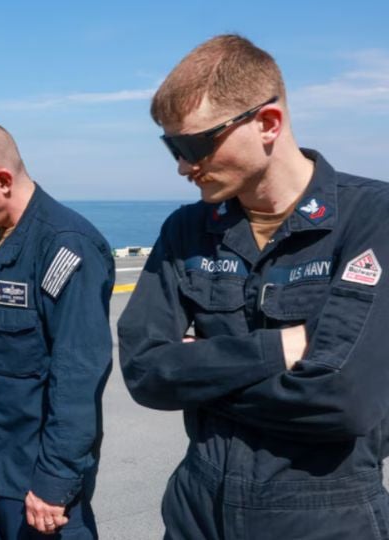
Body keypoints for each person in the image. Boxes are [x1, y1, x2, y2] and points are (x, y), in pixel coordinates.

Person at [118, 34, 389, 540]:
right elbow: (144, 371)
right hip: (196, 512)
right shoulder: (186, 230)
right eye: (170, 147)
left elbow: (343, 399)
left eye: (193, 144)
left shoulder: (372, 220)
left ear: (268, 124)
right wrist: (277, 349)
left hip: (322, 517)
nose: (182, 165)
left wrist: (203, 374)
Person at [0, 120, 114, 540]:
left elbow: (77, 377)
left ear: (2, 179)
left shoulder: (65, 246)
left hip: (32, 474)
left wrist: (53, 482)